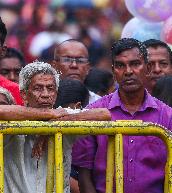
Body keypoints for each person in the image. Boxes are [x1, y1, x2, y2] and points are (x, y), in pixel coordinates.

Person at [0, 61, 111, 193]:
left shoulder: (62, 116)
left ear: (56, 94)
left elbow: (104, 114)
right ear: (24, 94)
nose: (45, 94)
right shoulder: (14, 118)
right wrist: (49, 114)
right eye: (38, 88)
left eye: (50, 88)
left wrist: (53, 124)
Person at [72, 38, 172, 193]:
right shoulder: (93, 112)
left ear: (148, 68)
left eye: (135, 64)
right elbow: (84, 175)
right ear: (113, 71)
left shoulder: (167, 116)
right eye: (120, 65)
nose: (128, 71)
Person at [52, 39, 101, 103]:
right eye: (67, 60)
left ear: (88, 68)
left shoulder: (99, 103)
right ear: (54, 67)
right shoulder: (43, 102)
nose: (74, 65)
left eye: (80, 60)